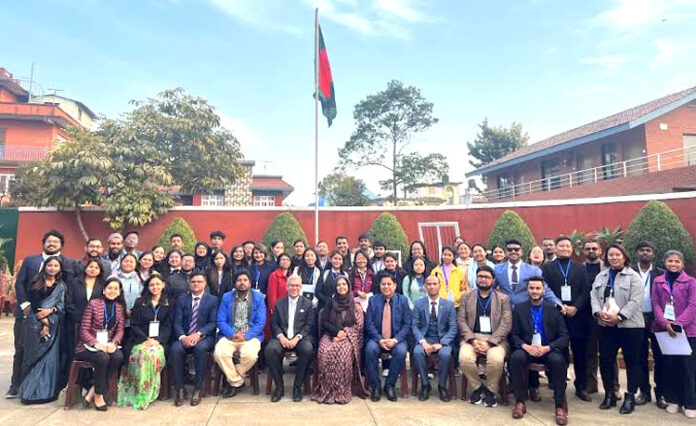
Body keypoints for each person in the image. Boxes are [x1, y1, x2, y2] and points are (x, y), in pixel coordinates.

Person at [8, 229, 77, 398]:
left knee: (53, 353)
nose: (52, 244)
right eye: (49, 241)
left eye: (55, 241)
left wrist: (53, 313)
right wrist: (25, 305)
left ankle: (47, 387)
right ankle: (16, 385)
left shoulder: (69, 263)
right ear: (44, 243)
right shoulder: (31, 260)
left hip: (55, 319)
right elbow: (20, 283)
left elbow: (68, 291)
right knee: (22, 349)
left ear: (61, 245)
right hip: (28, 315)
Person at [590, 244, 644, 414]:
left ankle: (630, 397)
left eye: (617, 255)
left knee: (632, 361)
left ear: (624, 257)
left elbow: (636, 301)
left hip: (630, 326)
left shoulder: (633, 276)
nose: (614, 258)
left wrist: (619, 317)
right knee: (606, 360)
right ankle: (609, 394)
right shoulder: (601, 276)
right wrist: (598, 313)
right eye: (611, 255)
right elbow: (594, 296)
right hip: (606, 326)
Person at [510, 277, 569, 425]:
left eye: (538, 288)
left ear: (543, 290)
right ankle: (520, 401)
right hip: (528, 349)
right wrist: (526, 347)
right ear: (527, 290)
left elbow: (564, 337)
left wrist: (547, 348)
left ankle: (560, 406)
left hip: (548, 349)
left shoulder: (554, 309)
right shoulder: (519, 308)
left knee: (558, 360)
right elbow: (514, 335)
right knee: (516, 357)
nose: (534, 291)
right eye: (531, 288)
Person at [542, 236, 592, 402]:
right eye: (561, 246)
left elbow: (585, 290)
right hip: (557, 315)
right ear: (555, 248)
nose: (565, 249)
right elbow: (545, 290)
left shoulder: (580, 268)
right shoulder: (547, 268)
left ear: (572, 249)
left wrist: (575, 307)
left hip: (578, 316)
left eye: (567, 246)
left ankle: (581, 387)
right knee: (558, 352)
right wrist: (560, 307)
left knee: (580, 353)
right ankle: (557, 384)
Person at [459, 265, 512, 408]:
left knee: (496, 360)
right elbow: (461, 321)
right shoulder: (467, 296)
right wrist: (472, 340)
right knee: (464, 358)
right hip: (472, 338)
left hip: (495, 339)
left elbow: (506, 323)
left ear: (493, 280)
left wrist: (490, 343)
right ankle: (477, 387)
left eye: (487, 277)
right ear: (476, 278)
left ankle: (490, 390)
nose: (483, 279)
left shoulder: (503, 299)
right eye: (480, 276)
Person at [651, 250, 696, 418]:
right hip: (664, 331)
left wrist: (678, 324)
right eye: (670, 261)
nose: (673, 264)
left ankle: (690, 402)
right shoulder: (658, 282)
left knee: (688, 368)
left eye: (677, 261)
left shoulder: (691, 282)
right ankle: (674, 400)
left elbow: (693, 306)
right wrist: (665, 323)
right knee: (671, 367)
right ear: (664, 263)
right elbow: (655, 304)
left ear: (682, 264)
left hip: (688, 332)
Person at [16, 256, 67, 404]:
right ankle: (29, 393)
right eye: (50, 265)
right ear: (45, 266)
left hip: (54, 324)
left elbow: (61, 306)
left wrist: (51, 311)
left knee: (49, 359)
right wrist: (45, 323)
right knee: (34, 357)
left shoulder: (61, 286)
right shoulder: (36, 282)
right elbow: (33, 305)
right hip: (35, 324)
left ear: (60, 268)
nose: (52, 268)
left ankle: (46, 393)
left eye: (56, 266)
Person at [118, 274, 172, 409]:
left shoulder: (169, 303)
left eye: (157, 284)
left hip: (160, 342)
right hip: (139, 340)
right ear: (147, 287)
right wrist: (145, 340)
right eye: (152, 285)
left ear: (163, 285)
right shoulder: (139, 302)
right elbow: (134, 324)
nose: (155, 287)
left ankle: (147, 392)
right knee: (142, 354)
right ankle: (138, 391)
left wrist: (157, 340)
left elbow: (168, 326)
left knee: (150, 354)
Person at [312, 275, 368, 404]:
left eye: (344, 284)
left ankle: (341, 391)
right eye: (338, 285)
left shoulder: (355, 304)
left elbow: (359, 325)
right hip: (331, 334)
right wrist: (336, 332)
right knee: (324, 351)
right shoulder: (330, 303)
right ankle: (326, 389)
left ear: (348, 286)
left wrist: (345, 333)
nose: (341, 287)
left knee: (343, 355)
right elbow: (324, 322)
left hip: (349, 337)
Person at [73, 277, 125, 411]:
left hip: (107, 345)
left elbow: (120, 330)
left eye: (116, 289)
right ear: (104, 290)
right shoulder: (93, 304)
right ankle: (98, 396)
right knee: (103, 357)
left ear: (119, 292)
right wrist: (95, 344)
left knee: (118, 356)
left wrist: (114, 343)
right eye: (109, 288)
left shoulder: (119, 308)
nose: (112, 291)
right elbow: (84, 330)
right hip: (87, 347)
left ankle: (92, 390)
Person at [214, 270, 266, 397]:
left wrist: (246, 336)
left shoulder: (258, 297)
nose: (242, 283)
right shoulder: (227, 297)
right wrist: (232, 334)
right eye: (239, 280)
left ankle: (232, 381)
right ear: (235, 283)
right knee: (219, 353)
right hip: (230, 335)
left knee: (251, 355)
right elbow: (220, 320)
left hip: (250, 336)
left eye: (245, 280)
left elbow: (260, 322)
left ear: (250, 283)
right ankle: (237, 381)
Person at [170, 273, 219, 407]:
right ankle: (180, 389)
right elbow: (177, 322)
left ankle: (198, 388)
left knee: (200, 348)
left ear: (205, 284)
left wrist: (198, 334)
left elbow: (213, 323)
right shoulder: (182, 299)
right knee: (175, 349)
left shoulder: (213, 300)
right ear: (189, 284)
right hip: (184, 336)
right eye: (193, 282)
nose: (196, 284)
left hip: (204, 337)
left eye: (199, 281)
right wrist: (183, 337)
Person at [265, 275, 315, 402]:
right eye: (291, 285)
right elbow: (274, 324)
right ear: (287, 287)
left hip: (300, 338)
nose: (294, 288)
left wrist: (297, 338)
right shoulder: (279, 303)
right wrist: (281, 337)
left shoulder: (307, 304)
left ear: (301, 287)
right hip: (282, 338)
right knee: (270, 349)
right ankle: (279, 387)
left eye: (297, 285)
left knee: (308, 349)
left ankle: (297, 387)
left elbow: (309, 325)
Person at [365, 274, 412, 402]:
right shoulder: (373, 300)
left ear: (395, 286)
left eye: (389, 284)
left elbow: (407, 324)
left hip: (396, 339)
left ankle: (389, 385)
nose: (386, 286)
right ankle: (375, 386)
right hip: (377, 339)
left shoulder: (402, 300)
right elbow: (369, 324)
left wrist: (395, 340)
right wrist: (379, 339)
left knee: (401, 352)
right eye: (383, 284)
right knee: (370, 350)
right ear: (379, 286)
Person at [411, 275, 457, 402]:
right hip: (425, 338)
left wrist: (441, 343)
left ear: (440, 286)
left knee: (445, 354)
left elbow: (453, 328)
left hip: (442, 340)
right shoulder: (419, 303)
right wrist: (423, 342)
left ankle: (442, 386)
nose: (432, 286)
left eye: (434, 284)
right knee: (417, 352)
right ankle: (425, 385)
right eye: (429, 284)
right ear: (425, 287)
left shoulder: (448, 305)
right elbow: (414, 325)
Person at [582, 238, 619, 398]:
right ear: (583, 251)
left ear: (600, 251)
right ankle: (591, 384)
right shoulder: (579, 269)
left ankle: (614, 387)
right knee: (590, 351)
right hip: (587, 315)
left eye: (594, 248)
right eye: (588, 248)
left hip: (608, 315)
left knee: (609, 352)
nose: (591, 251)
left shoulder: (610, 269)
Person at [632, 241, 666, 407]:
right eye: (642, 250)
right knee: (640, 357)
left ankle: (661, 393)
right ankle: (644, 391)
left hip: (656, 320)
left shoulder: (661, 273)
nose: (645, 253)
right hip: (635, 318)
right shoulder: (629, 272)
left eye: (648, 250)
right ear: (636, 253)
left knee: (660, 357)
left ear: (653, 254)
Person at [65, 258, 105, 384]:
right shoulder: (74, 282)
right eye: (91, 267)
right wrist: (79, 317)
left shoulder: (102, 284)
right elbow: (68, 302)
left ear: (100, 271)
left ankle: (87, 382)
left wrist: (92, 319)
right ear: (86, 268)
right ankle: (73, 382)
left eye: (96, 268)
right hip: (75, 323)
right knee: (73, 352)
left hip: (94, 326)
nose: (93, 269)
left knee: (91, 351)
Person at [494, 239, 560, 308]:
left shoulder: (533, 271)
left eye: (516, 249)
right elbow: (491, 289)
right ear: (505, 253)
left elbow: (545, 289)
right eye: (509, 250)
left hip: (525, 309)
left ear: (521, 252)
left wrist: (557, 302)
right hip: (503, 308)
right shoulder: (497, 269)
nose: (513, 252)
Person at [266, 253, 293, 340]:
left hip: (290, 306)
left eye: (287, 260)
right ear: (279, 262)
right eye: (283, 260)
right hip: (278, 307)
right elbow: (271, 294)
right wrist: (273, 308)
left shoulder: (292, 275)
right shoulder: (274, 275)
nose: (285, 262)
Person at [118, 253, 143, 318]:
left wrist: (133, 309)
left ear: (136, 264)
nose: (128, 263)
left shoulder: (139, 278)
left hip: (135, 313)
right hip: (117, 313)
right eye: (126, 261)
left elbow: (142, 296)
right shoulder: (114, 277)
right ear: (121, 263)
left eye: (131, 262)